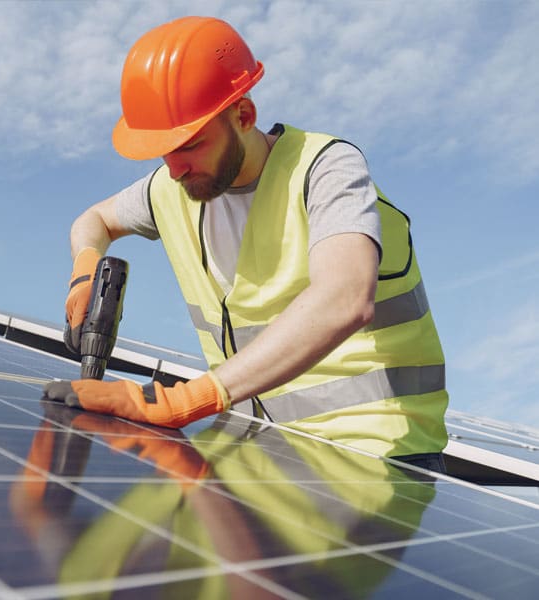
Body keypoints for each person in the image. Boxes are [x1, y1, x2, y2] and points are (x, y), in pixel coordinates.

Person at [43, 16, 448, 468]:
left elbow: (345, 297)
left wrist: (188, 400)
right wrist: (85, 269)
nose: (175, 168)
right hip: (254, 447)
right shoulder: (171, 188)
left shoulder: (325, 169)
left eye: (190, 144)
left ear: (244, 115)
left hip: (373, 455)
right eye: (164, 150)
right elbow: (93, 219)